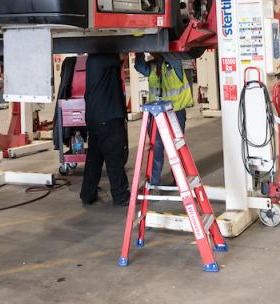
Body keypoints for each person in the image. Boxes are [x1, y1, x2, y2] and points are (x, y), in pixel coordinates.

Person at [133, 52, 194, 187]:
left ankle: (179, 180)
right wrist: (140, 50)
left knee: (175, 147)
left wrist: (160, 45)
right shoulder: (152, 67)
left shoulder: (175, 65)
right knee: (156, 148)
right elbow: (139, 66)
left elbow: (171, 56)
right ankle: (154, 183)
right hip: (157, 114)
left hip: (175, 113)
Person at [80, 53, 130, 207]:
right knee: (114, 158)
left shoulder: (93, 60)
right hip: (108, 119)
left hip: (95, 119)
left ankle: (87, 194)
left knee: (94, 160)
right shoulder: (106, 58)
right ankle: (121, 196)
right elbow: (121, 56)